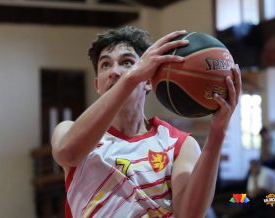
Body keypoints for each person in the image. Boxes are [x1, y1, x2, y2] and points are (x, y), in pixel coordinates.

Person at [51, 26, 241, 218]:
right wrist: (131, 76)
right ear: (97, 85)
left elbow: (189, 215)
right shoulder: (68, 131)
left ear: (149, 80)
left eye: (126, 62)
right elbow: (68, 153)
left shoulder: (179, 145)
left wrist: (217, 133)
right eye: (105, 65)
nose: (114, 71)